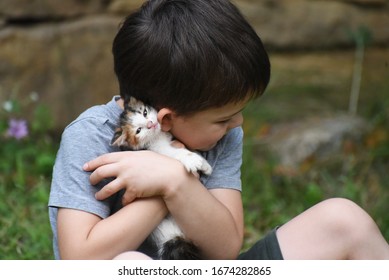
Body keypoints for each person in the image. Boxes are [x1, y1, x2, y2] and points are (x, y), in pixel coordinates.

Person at [48, 0, 389, 260]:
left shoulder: (221, 136)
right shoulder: (90, 135)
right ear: (165, 121)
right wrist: (163, 192)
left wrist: (176, 180)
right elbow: (80, 258)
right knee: (130, 264)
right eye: (223, 119)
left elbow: (225, 248)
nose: (236, 125)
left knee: (344, 219)